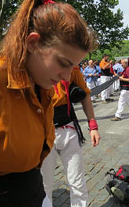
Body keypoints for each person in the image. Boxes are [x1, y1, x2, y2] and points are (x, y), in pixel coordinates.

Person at [0, 0, 96, 207]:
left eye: (73, 67)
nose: (67, 77)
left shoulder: (39, 84)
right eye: (63, 63)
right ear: (33, 43)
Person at [41, 67, 100, 207]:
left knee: (77, 182)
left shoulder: (71, 66)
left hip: (69, 128)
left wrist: (93, 125)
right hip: (42, 133)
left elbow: (84, 93)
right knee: (44, 185)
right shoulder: (35, 64)